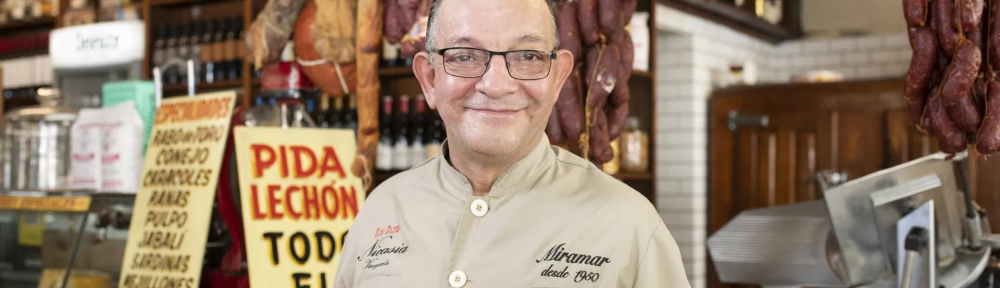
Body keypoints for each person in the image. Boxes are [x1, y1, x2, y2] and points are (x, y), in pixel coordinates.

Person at [333, 0, 690, 286]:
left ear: (558, 79)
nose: (496, 85)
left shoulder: (630, 224)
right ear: (429, 79)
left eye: (528, 56)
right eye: (465, 56)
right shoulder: (381, 209)